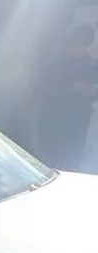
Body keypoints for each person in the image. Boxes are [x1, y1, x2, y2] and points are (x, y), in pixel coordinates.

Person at [36, 25, 98, 171]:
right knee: (49, 160)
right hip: (54, 119)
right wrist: (70, 88)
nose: (79, 50)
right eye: (76, 45)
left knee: (72, 161)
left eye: (83, 46)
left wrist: (90, 92)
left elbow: (95, 90)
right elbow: (41, 86)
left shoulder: (92, 65)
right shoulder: (54, 63)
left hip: (78, 121)